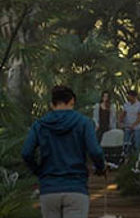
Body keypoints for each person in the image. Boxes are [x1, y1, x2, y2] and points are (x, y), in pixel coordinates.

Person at [22, 85, 106, 218]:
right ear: (72, 101)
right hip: (76, 188)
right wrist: (100, 168)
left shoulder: (40, 125)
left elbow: (26, 152)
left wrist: (38, 171)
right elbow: (95, 151)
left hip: (49, 189)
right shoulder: (84, 122)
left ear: (52, 104)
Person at [119, 90, 140, 155]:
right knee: (126, 144)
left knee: (137, 144)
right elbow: (123, 114)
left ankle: (137, 156)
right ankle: (126, 156)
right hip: (127, 127)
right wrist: (120, 121)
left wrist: (134, 125)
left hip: (137, 128)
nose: (128, 97)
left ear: (134, 97)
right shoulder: (126, 105)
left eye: (130, 96)